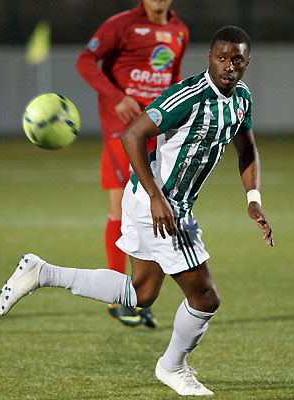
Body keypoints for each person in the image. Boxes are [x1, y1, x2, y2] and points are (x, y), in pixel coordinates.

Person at [0, 25, 273, 396]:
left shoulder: (241, 98)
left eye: (236, 60)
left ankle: (42, 272)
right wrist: (158, 197)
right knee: (206, 298)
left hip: (155, 201)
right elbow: (132, 135)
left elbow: (247, 150)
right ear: (209, 58)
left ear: (246, 63)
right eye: (221, 58)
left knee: (141, 294)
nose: (228, 66)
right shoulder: (188, 96)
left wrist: (253, 199)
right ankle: (172, 367)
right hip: (159, 206)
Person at [76, 0, 189, 328]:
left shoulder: (179, 31)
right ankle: (117, 298)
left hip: (157, 129)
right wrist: (117, 98)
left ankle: (137, 296)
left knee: (150, 210)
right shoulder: (120, 24)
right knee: (120, 208)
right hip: (121, 130)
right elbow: (85, 62)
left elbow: (174, 77)